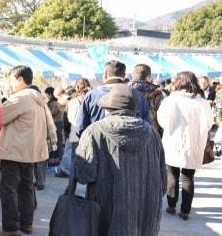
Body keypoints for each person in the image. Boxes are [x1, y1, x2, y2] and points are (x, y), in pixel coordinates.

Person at [74, 84, 166, 236]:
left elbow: (84, 175)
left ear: (109, 108)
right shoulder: (151, 134)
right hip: (139, 206)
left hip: (103, 202)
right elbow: (162, 176)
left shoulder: (95, 131)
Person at [0, 66, 54, 236]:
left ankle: (11, 227)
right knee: (27, 187)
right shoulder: (37, 98)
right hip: (30, 151)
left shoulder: (21, 98)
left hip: (16, 151)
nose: (10, 84)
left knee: (8, 189)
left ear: (20, 79)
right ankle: (27, 223)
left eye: (12, 80)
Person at [157, 72, 215, 220]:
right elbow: (209, 123)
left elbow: (161, 119)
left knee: (172, 174)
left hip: (173, 142)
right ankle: (185, 211)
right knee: (189, 177)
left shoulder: (171, 100)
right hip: (194, 144)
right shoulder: (202, 102)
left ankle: (171, 205)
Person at [77, 60, 150, 137]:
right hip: (132, 145)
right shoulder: (138, 96)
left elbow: (80, 128)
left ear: (105, 74)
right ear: (124, 75)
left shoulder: (91, 95)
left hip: (98, 144)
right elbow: (147, 127)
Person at [59, 78, 91, 180]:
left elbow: (69, 119)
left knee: (74, 155)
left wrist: (67, 131)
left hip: (75, 132)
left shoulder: (73, 101)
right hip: (90, 132)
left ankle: (72, 175)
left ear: (77, 87)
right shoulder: (92, 98)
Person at [129, 64, 165, 136]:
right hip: (151, 133)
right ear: (148, 77)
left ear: (133, 75)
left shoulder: (124, 90)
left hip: (129, 130)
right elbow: (162, 118)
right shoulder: (157, 93)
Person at [45, 87, 64, 162]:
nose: (47, 96)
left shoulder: (56, 102)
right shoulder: (51, 102)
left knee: (58, 140)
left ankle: (59, 156)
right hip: (54, 123)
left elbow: (53, 113)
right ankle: (54, 156)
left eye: (47, 94)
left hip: (57, 123)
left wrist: (47, 110)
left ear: (50, 94)